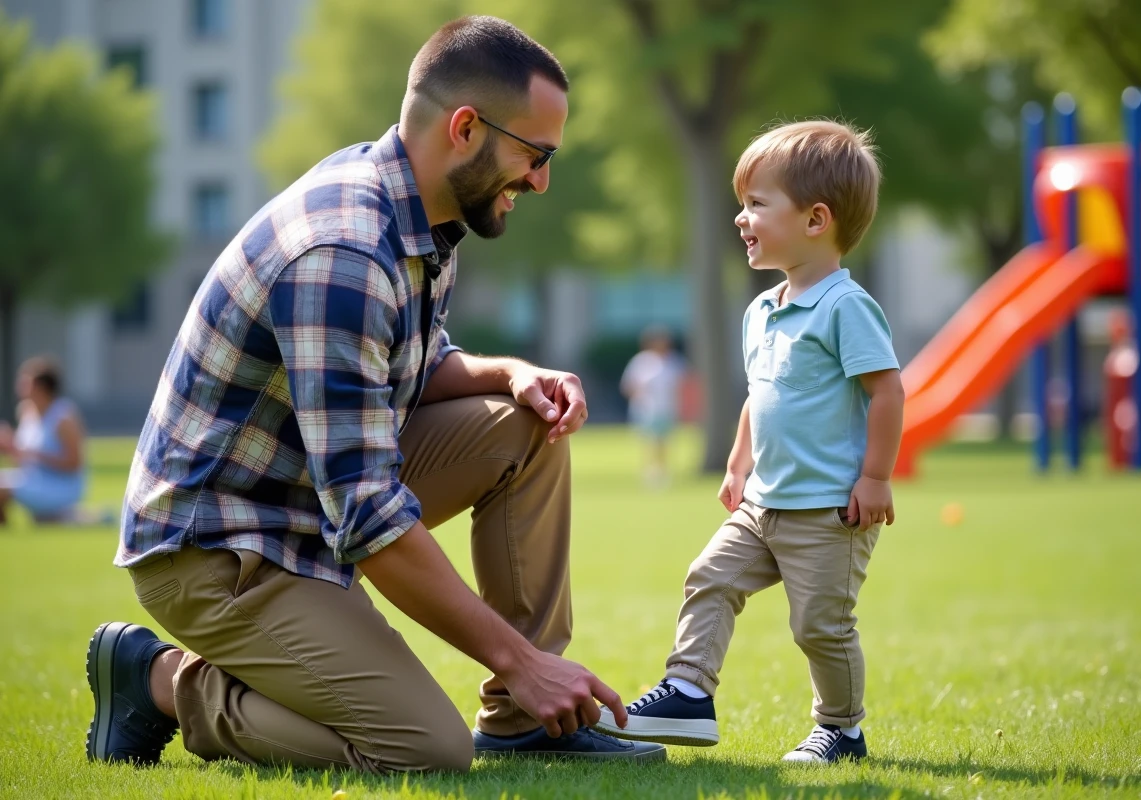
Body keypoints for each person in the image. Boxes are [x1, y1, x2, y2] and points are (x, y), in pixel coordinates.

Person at [85, 16, 662, 773]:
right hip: (220, 547)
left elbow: (406, 365)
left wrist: (512, 375)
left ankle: (525, 723)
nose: (541, 180)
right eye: (536, 154)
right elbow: (366, 511)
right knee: (424, 748)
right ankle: (157, 681)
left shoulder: (421, 212)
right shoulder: (343, 250)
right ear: (465, 128)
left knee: (526, 425)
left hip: (303, 502)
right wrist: (519, 657)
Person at [595, 120, 905, 764]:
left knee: (819, 627)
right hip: (763, 504)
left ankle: (842, 729)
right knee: (709, 578)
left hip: (827, 510)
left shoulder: (845, 307)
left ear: (815, 219)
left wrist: (875, 477)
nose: (741, 218)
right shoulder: (761, 311)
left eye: (758, 203)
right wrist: (739, 464)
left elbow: (887, 392)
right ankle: (688, 691)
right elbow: (759, 395)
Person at [0, 356, 86, 524]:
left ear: (42, 388)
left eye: (26, 383)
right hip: (32, 479)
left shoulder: (63, 417)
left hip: (60, 486)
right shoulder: (25, 411)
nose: (19, 387)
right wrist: (10, 447)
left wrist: (35, 455)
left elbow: (74, 464)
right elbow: (22, 461)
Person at [620, 327, 686, 487]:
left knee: (664, 442)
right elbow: (628, 385)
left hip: (667, 409)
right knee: (649, 442)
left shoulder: (674, 362)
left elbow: (684, 386)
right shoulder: (640, 361)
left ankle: (663, 472)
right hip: (645, 409)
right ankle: (649, 472)